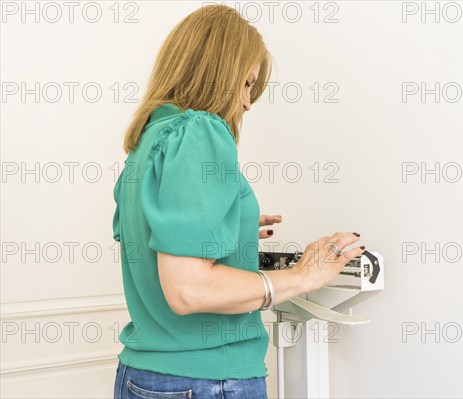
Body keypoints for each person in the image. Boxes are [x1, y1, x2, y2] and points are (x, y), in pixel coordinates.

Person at [112, 4, 365, 398]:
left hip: (145, 375)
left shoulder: (151, 140)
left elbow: (155, 239)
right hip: (205, 380)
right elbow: (188, 290)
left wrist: (232, 224)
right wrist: (303, 276)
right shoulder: (200, 131)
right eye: (246, 84)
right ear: (214, 72)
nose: (249, 103)